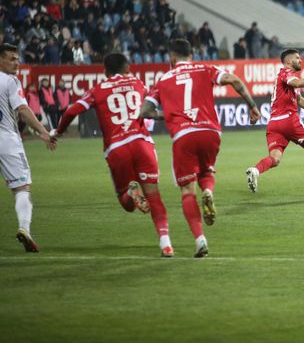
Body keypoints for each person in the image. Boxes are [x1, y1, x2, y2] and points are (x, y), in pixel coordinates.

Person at [141, 39, 260, 258]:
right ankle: (208, 191)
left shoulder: (163, 79)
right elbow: (234, 79)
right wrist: (252, 106)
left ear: (172, 57)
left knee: (187, 190)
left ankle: (200, 241)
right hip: (211, 132)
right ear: (191, 55)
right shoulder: (205, 69)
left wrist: (168, 115)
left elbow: (145, 111)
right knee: (206, 170)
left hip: (184, 135)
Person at [52, 53, 174, 257]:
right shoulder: (137, 83)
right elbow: (153, 108)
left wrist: (59, 132)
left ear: (105, 71)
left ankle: (130, 192)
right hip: (142, 143)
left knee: (126, 204)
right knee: (154, 196)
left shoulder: (97, 90)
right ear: (127, 68)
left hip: (117, 148)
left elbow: (71, 111)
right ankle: (166, 244)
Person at [245, 49, 304, 195]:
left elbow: (298, 98)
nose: (301, 60)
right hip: (288, 119)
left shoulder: (286, 78)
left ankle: (255, 170)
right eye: (297, 58)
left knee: (275, 158)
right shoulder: (286, 73)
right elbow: (298, 83)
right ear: (288, 61)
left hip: (274, 123)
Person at [0, 44, 56, 252]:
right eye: (12, 59)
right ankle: (24, 228)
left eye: (18, 59)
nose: (17, 63)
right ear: (1, 60)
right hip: (7, 140)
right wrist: (43, 132)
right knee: (22, 188)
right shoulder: (10, 81)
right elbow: (22, 109)